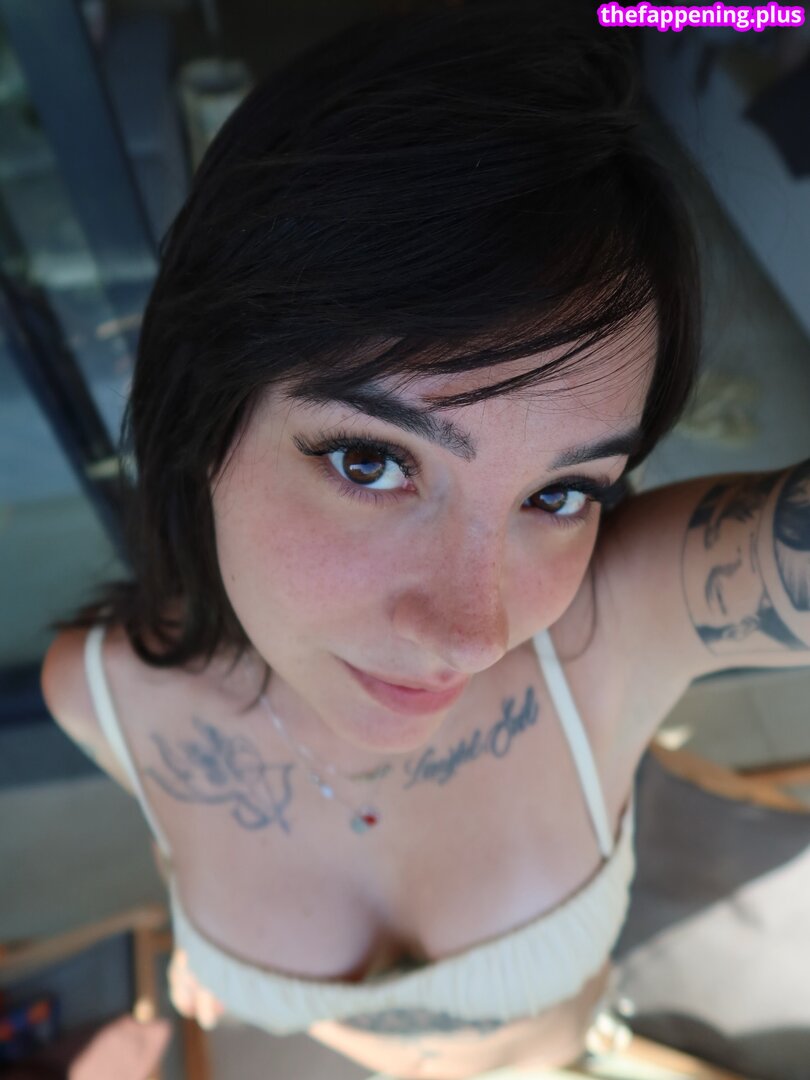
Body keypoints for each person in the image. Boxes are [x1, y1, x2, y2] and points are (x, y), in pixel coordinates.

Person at [39, 1, 810, 1076]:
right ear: (203, 411)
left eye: (561, 493)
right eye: (371, 462)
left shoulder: (613, 627)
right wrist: (213, 944)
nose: (472, 631)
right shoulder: (99, 698)